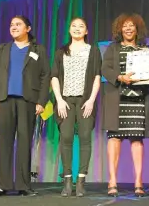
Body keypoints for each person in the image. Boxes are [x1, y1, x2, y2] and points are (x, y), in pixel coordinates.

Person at [0, 15, 50, 197]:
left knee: (24, 142)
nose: (13, 27)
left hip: (28, 101)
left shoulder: (38, 50)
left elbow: (45, 76)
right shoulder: (3, 49)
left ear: (28, 28)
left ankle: (24, 185)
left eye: (18, 24)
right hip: (5, 100)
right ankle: (3, 185)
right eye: (11, 24)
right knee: (4, 142)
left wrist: (41, 101)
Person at [101, 13, 149, 197]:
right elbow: (105, 68)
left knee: (136, 139)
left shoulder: (145, 49)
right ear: (120, 29)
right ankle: (112, 180)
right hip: (118, 99)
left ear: (137, 29)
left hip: (138, 99)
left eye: (132, 26)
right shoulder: (112, 49)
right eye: (125, 26)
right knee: (114, 139)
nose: (128, 28)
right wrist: (119, 77)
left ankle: (138, 181)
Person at [51, 17, 102, 197]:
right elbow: (55, 76)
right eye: (74, 26)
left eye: (81, 26)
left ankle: (81, 181)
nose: (77, 28)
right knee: (65, 137)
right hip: (65, 100)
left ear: (86, 31)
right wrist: (59, 99)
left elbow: (96, 76)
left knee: (85, 136)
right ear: (69, 30)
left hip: (84, 100)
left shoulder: (93, 51)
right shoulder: (61, 52)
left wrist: (91, 100)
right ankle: (67, 180)